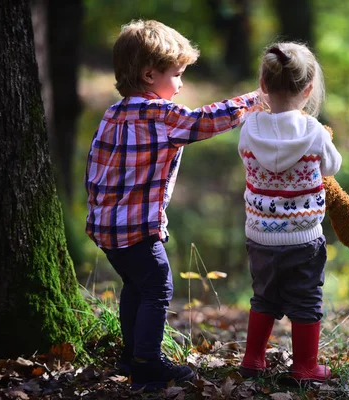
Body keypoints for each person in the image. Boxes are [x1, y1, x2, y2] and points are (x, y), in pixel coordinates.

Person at [84, 19, 262, 391]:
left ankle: (132, 354)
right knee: (157, 287)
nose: (181, 84)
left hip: (107, 227)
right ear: (150, 75)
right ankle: (148, 363)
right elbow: (205, 121)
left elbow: (94, 167)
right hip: (136, 228)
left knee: (136, 286)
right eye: (177, 74)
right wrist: (256, 99)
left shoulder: (113, 113)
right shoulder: (159, 115)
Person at [238, 42, 342, 382]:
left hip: (259, 234)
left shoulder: (250, 128)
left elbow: (246, 158)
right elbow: (333, 166)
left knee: (264, 296)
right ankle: (305, 367)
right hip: (303, 237)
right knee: (306, 300)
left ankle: (253, 359)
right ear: (309, 88)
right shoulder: (313, 131)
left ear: (263, 84)